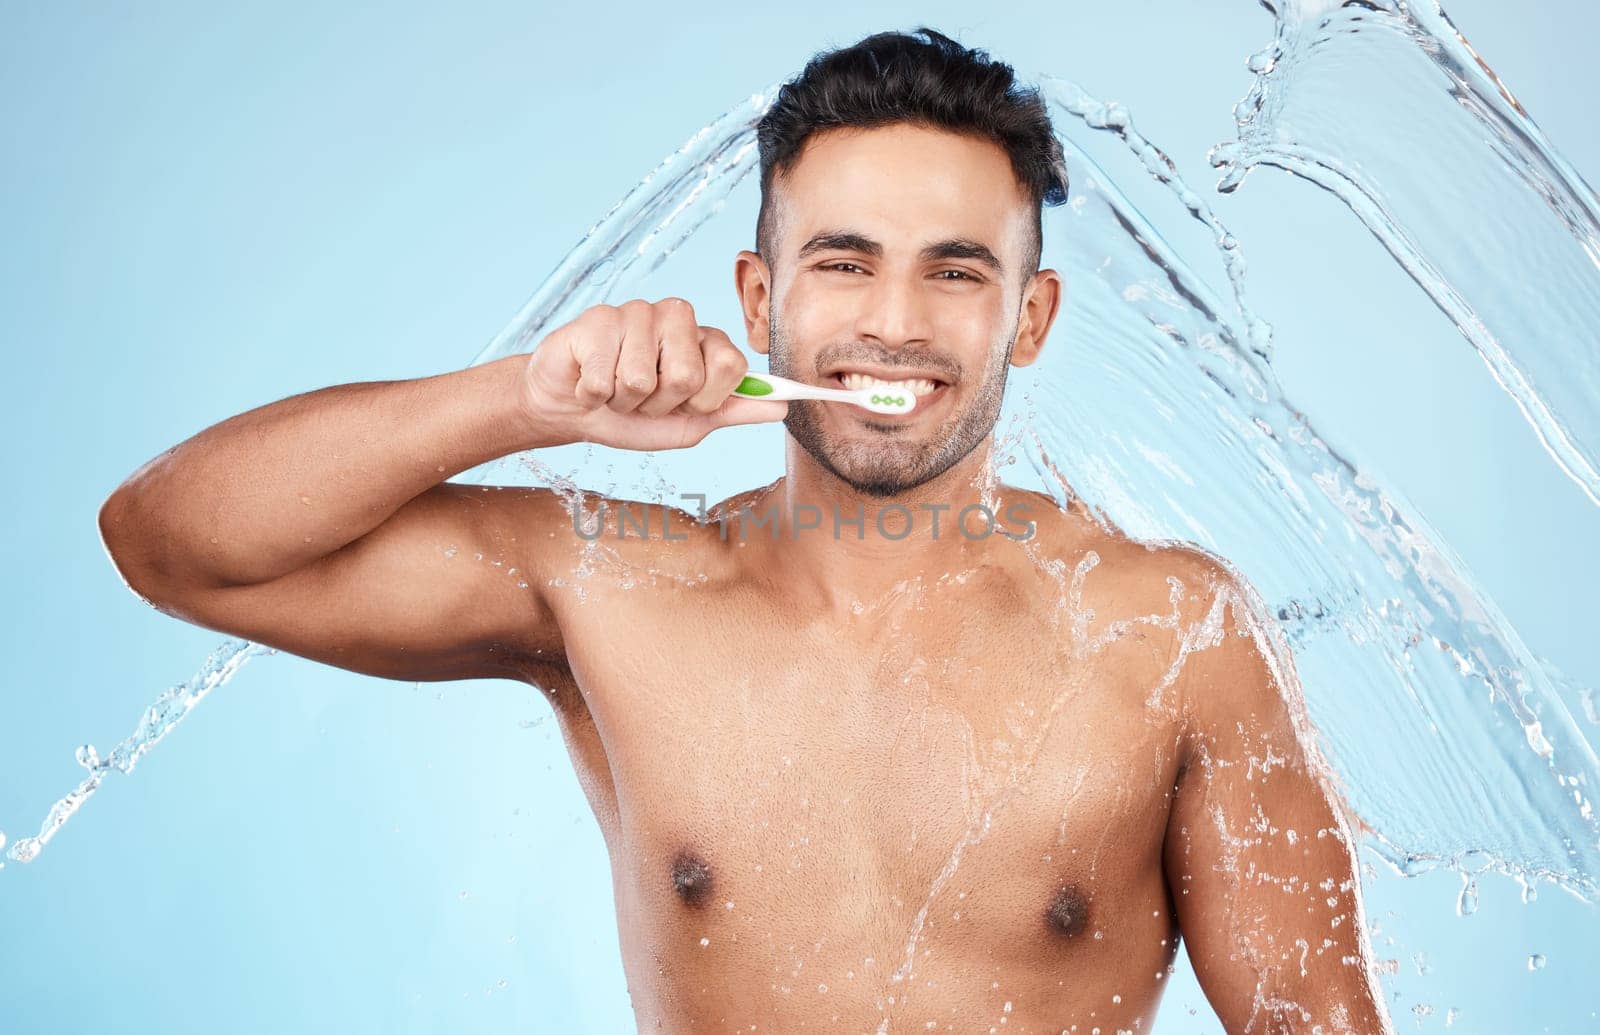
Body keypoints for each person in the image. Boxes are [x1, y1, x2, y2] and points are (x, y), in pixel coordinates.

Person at [98, 26, 1394, 1034]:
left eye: (955, 269)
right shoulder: (614, 590)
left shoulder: (1170, 630)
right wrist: (527, 398)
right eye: (843, 263)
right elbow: (176, 543)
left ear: (1033, 317)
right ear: (758, 299)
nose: (893, 320)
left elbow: (1312, 1021)